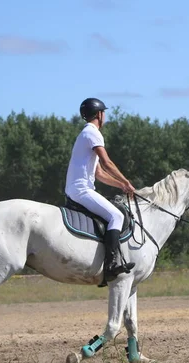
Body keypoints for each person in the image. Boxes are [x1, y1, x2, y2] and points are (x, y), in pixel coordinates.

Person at [65, 97, 136, 287]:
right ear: (99, 114)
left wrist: (121, 186)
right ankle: (111, 265)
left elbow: (99, 173)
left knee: (112, 215)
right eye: (104, 113)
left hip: (78, 188)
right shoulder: (92, 133)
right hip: (81, 190)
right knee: (117, 216)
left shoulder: (85, 134)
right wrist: (126, 181)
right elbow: (107, 163)